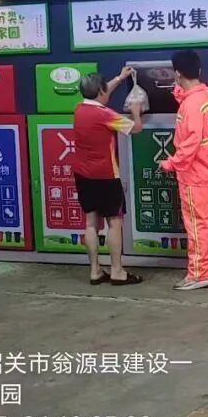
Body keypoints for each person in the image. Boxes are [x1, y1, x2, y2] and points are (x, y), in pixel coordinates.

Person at [72, 68, 144, 286]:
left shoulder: (79, 109)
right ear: (101, 91)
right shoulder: (106, 115)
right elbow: (136, 129)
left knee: (91, 223)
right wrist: (136, 112)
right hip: (106, 175)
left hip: (83, 175)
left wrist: (119, 78)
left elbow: (98, 96)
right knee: (114, 222)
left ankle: (95, 271)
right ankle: (117, 271)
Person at [159, 50, 208, 290]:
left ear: (177, 73)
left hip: (193, 175)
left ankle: (198, 274)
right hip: (207, 171)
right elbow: (190, 108)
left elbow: (190, 144)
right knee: (207, 223)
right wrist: (179, 91)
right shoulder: (206, 94)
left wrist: (170, 163)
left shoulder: (191, 105)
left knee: (196, 226)